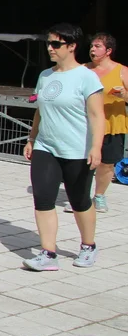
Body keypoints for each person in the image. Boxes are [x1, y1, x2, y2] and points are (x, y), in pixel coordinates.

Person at [22, 24, 104, 271]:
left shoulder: (86, 77)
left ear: (72, 46)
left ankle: (88, 245)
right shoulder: (45, 76)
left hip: (77, 149)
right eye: (48, 43)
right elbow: (40, 111)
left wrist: (96, 147)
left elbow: (97, 116)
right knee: (42, 197)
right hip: (46, 146)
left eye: (56, 44)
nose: (50, 48)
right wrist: (32, 138)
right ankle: (48, 253)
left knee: (79, 200)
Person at [85, 32, 128, 214]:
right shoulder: (83, 70)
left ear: (108, 51)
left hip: (112, 124)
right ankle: (80, 198)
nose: (92, 49)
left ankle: (99, 195)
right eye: (91, 46)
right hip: (86, 125)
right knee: (82, 162)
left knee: (107, 164)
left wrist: (124, 95)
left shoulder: (122, 71)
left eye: (97, 46)